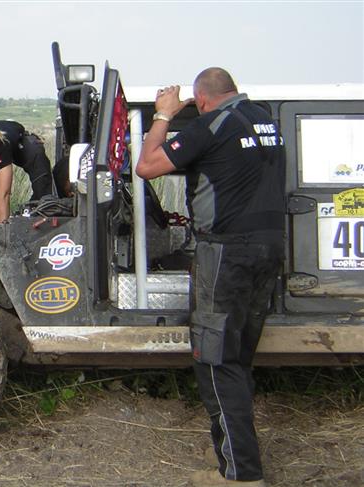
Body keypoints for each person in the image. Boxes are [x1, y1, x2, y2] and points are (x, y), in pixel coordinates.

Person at [136, 68, 285, 487]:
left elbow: (147, 166)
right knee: (238, 357)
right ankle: (231, 453)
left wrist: (164, 115)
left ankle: (241, 475)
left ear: (200, 98)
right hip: (268, 249)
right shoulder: (264, 121)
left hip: (227, 254)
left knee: (217, 361)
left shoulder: (209, 125)